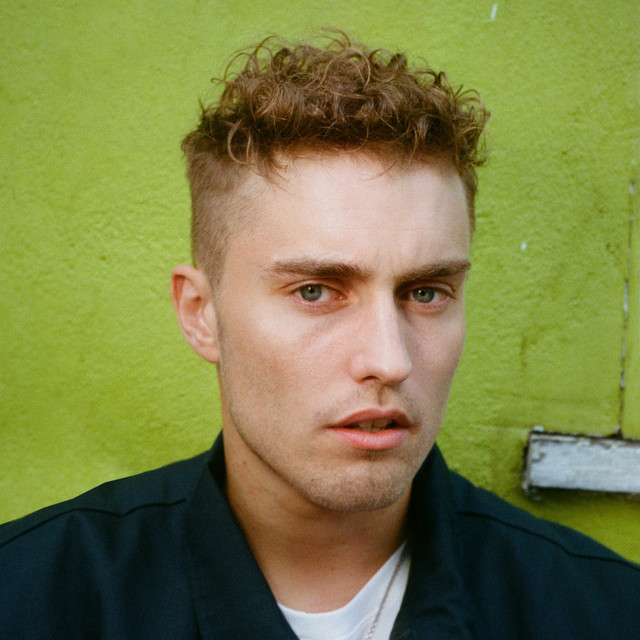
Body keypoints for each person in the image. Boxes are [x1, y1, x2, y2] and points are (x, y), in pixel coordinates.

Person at [1, 33, 639, 640]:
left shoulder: (605, 612)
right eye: (315, 292)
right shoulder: (32, 598)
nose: (389, 360)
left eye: (425, 292)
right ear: (201, 313)